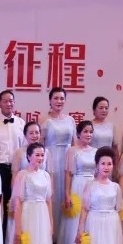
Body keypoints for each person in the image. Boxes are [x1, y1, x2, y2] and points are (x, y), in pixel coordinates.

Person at [56, 120, 96, 244]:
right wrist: (67, 194)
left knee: (90, 222)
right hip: (78, 185)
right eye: (85, 131)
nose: (88, 134)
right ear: (78, 134)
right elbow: (68, 173)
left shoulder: (96, 151)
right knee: (75, 223)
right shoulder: (72, 151)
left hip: (92, 187)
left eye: (91, 132)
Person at [0, 90, 25, 235]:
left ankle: (11, 237)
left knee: (13, 203)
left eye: (11, 101)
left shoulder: (21, 123)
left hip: (16, 169)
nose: (9, 104)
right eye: (5, 101)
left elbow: (24, 148)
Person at [41, 87, 76, 233]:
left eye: (62, 98)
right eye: (55, 98)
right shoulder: (44, 120)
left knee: (67, 192)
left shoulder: (70, 120)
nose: (59, 101)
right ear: (50, 100)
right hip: (51, 159)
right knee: (53, 194)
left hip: (68, 158)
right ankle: (52, 233)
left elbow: (74, 143)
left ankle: (66, 235)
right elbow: (40, 144)